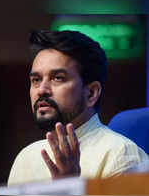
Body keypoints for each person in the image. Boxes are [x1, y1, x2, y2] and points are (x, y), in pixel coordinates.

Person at [8, 30, 148, 186]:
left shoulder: (121, 155)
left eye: (58, 78)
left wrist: (69, 188)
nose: (41, 89)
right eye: (36, 79)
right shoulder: (25, 158)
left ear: (91, 93)